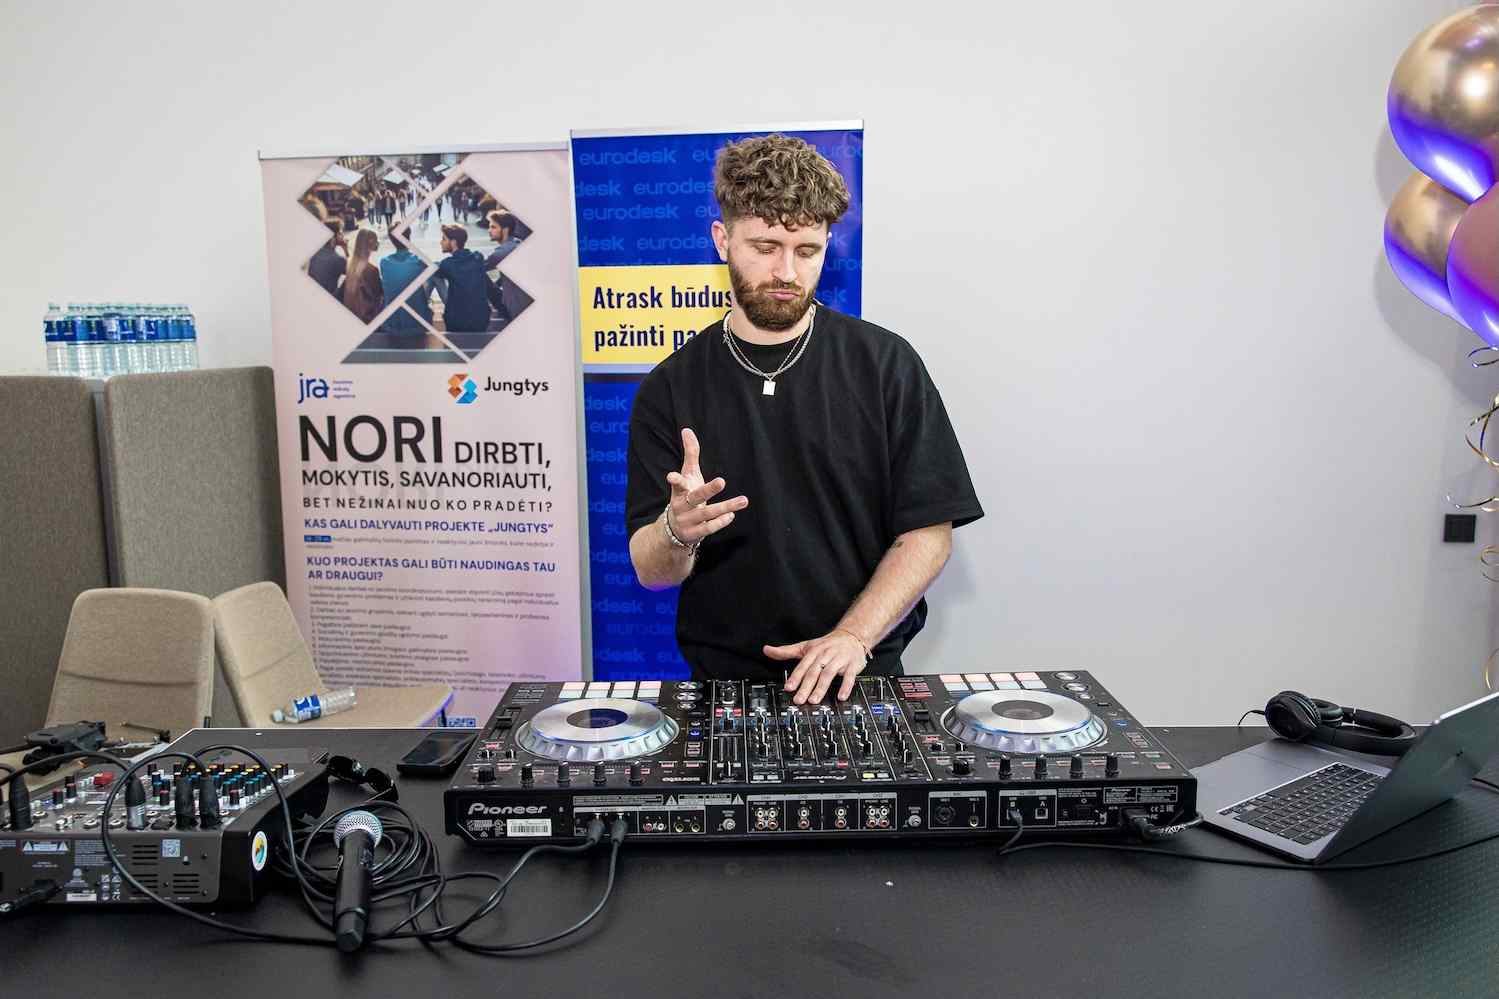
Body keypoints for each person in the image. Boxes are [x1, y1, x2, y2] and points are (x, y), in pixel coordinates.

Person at [626, 134, 983, 704]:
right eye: (765, 246)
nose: (786, 271)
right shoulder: (669, 387)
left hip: (861, 676)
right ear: (722, 240)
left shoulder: (886, 366)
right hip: (723, 691)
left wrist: (853, 637)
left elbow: (928, 533)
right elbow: (652, 570)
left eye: (807, 250)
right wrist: (677, 531)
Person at [433, 223, 491, 332]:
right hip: (481, 322)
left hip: (457, 323)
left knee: (434, 272)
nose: (441, 242)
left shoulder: (447, 264)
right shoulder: (477, 258)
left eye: (444, 239)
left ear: (453, 242)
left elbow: (438, 273)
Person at [378, 227, 433, 335]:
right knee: (433, 277)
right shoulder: (419, 261)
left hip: (392, 324)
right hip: (417, 324)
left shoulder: (384, 262)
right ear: (408, 238)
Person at [483, 210, 523, 322]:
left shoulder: (502, 252)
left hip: (514, 309)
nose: (489, 230)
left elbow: (477, 268)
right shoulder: (517, 243)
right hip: (521, 302)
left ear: (505, 230)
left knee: (479, 274)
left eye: (493, 227)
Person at [341, 228, 384, 324]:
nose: (378, 242)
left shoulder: (350, 263)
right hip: (366, 316)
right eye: (376, 239)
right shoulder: (371, 269)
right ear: (370, 242)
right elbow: (379, 294)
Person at [307, 221, 347, 298]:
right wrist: (346, 250)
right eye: (340, 233)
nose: (343, 235)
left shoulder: (316, 252)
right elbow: (354, 271)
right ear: (332, 237)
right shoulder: (337, 259)